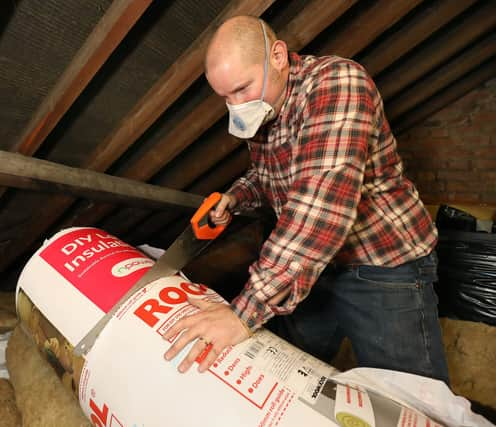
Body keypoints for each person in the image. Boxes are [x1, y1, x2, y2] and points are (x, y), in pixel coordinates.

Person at [163, 15, 449, 384]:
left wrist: (241, 314)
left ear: (278, 56)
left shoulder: (337, 84)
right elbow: (269, 177)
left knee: (412, 398)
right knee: (290, 371)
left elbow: (318, 209)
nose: (236, 106)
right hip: (311, 269)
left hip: (382, 265)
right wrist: (235, 198)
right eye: (225, 98)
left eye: (242, 88)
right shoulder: (266, 109)